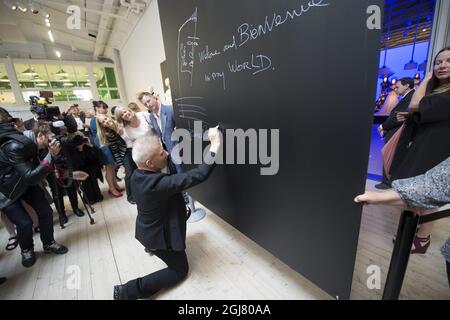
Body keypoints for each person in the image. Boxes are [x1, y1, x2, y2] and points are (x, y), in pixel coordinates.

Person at [113, 126, 221, 300]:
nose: (167, 153)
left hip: (146, 231)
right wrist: (215, 145)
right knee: (179, 271)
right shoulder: (159, 184)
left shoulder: (136, 175)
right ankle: (127, 291)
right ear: (149, 163)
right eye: (161, 152)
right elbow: (200, 174)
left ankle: (152, 247)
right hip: (158, 239)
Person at [388, 47, 450, 253]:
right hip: (426, 145)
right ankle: (415, 232)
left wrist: (425, 79)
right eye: (438, 62)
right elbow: (428, 114)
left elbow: (416, 103)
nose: (442, 66)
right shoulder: (439, 91)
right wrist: (411, 116)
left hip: (437, 149)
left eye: (448, 61)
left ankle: (422, 238)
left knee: (428, 191)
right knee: (418, 189)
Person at [355, 156, 449, 281]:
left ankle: (422, 239)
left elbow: (437, 186)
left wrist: (380, 198)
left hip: (434, 144)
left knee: (428, 186)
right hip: (422, 143)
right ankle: (414, 228)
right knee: (414, 178)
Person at [0, 107, 68, 268]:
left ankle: (48, 243)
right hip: (7, 189)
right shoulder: (15, 146)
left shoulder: (31, 143)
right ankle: (26, 250)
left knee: (45, 211)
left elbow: (35, 173)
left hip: (26, 182)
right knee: (23, 223)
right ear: (39, 135)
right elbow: (31, 175)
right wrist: (51, 155)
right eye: (50, 138)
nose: (53, 142)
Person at [376, 77, 415, 190]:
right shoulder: (408, 97)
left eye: (398, 86)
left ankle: (387, 182)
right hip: (399, 131)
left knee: (390, 155)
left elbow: (397, 117)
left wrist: (383, 126)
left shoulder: (410, 97)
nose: (395, 88)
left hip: (397, 132)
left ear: (407, 85)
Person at [114, 106, 155, 204]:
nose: (125, 114)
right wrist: (121, 164)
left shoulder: (144, 115)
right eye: (122, 115)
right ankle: (145, 194)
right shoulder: (126, 128)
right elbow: (128, 143)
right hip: (140, 150)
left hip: (154, 146)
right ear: (121, 118)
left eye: (125, 112)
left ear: (129, 110)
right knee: (143, 172)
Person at [89, 101, 122, 198]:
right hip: (102, 144)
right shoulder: (95, 119)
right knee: (109, 167)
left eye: (106, 108)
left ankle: (115, 185)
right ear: (97, 108)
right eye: (104, 108)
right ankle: (112, 188)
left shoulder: (99, 118)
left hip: (106, 142)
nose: (106, 110)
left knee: (111, 166)